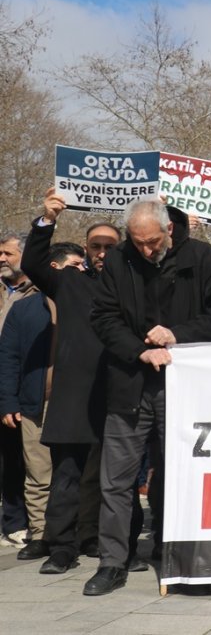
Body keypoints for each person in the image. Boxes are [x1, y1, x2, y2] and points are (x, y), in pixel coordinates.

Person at [84, 200, 211, 596]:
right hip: (129, 385)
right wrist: (140, 350)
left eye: (152, 242)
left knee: (182, 474)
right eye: (139, 243)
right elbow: (102, 316)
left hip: (184, 387)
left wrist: (177, 334)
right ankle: (113, 562)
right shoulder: (119, 261)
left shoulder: (204, 258)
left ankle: (178, 551)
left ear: (169, 229)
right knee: (116, 481)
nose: (147, 250)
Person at [20, 193, 120, 574]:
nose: (102, 252)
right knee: (66, 477)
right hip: (75, 398)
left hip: (118, 395)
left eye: (110, 246)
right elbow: (32, 262)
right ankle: (62, 546)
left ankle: (102, 540)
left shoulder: (133, 287)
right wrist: (47, 219)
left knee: (112, 478)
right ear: (87, 250)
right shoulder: (70, 283)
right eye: (95, 245)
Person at [0, 242, 84, 562]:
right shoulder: (25, 308)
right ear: (56, 268)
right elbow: (8, 358)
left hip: (78, 403)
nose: (82, 271)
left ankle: (76, 533)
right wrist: (8, 402)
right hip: (36, 402)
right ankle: (40, 534)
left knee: (76, 473)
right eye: (76, 265)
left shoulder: (90, 301)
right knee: (39, 473)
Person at [0, 232, 35, 548]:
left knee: (18, 459)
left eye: (8, 253)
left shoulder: (39, 293)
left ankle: (18, 521)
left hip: (20, 388)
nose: (1, 258)